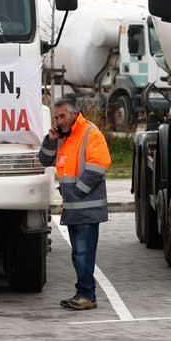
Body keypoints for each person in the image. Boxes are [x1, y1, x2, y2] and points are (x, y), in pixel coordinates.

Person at [38, 98, 112, 311]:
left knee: (83, 253)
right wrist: (51, 140)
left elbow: (99, 165)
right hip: (74, 208)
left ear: (73, 114)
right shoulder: (63, 137)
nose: (58, 120)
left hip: (86, 207)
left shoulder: (91, 133)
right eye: (56, 117)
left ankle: (86, 295)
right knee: (79, 253)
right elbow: (44, 160)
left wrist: (75, 192)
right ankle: (84, 293)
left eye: (62, 116)